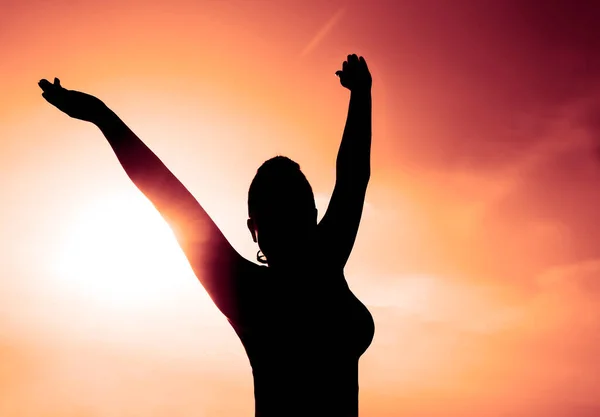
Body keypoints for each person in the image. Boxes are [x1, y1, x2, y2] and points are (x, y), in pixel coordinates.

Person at [39, 53, 375, 417]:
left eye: (292, 208)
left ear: (310, 217)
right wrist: (102, 117)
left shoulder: (313, 262)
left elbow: (353, 176)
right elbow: (167, 195)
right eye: (275, 211)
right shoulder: (256, 287)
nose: (286, 220)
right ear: (255, 228)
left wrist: (361, 95)